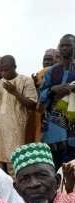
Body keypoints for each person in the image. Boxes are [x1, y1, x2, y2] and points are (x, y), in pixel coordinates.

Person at [0, 55, 38, 177]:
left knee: (15, 163)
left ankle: (18, 191)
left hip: (16, 129)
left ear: (14, 67)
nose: (4, 73)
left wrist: (15, 92)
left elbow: (33, 104)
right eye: (1, 70)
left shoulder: (25, 80)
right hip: (0, 129)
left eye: (7, 70)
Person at [39, 34, 75, 167]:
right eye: (62, 45)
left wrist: (72, 88)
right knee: (53, 166)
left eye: (69, 45)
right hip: (53, 128)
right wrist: (54, 88)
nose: (65, 48)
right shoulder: (50, 72)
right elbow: (41, 96)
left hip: (73, 125)